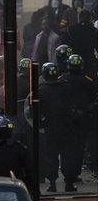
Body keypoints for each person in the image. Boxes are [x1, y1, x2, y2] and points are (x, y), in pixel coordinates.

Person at [59, 54, 96, 190]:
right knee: (79, 147)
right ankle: (74, 173)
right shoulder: (87, 81)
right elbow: (93, 97)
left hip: (66, 120)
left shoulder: (62, 80)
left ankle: (67, 172)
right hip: (82, 120)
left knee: (66, 148)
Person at [39, 62, 74, 192]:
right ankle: (69, 183)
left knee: (51, 156)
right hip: (66, 128)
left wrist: (41, 123)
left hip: (50, 129)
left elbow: (34, 110)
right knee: (67, 155)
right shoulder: (66, 87)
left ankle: (52, 184)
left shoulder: (41, 90)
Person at [62, 10, 98, 80]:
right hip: (89, 62)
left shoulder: (70, 29)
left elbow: (64, 45)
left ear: (79, 18)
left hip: (73, 60)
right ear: (90, 18)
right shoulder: (93, 30)